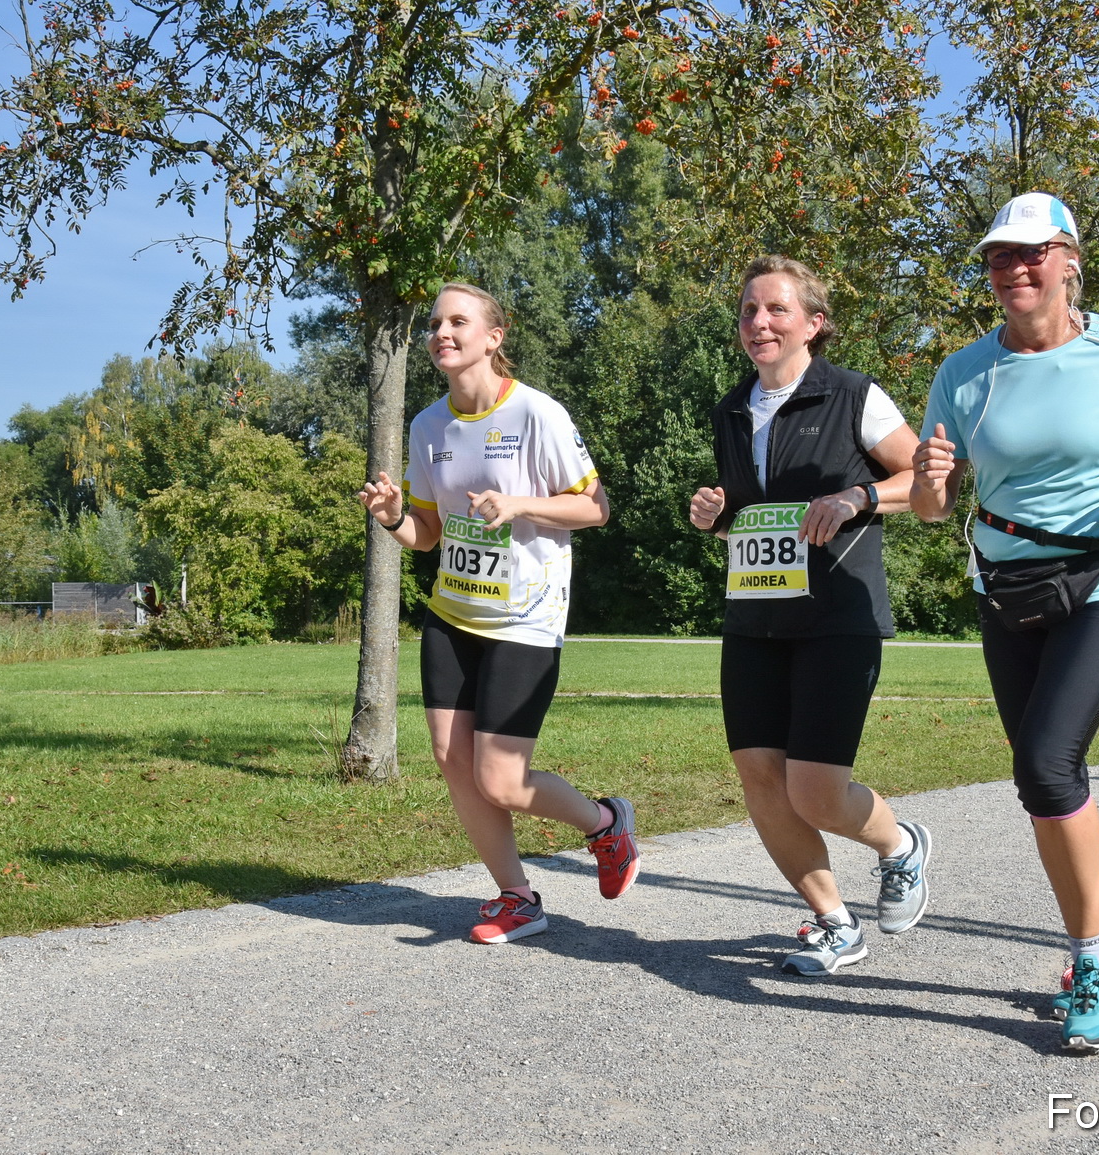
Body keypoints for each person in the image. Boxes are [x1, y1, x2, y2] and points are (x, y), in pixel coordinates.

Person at [910, 192, 1099, 1050]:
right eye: (1000, 257)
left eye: (1031, 253)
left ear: (1070, 258)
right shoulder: (964, 371)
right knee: (1040, 779)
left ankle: (1089, 955)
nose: (1014, 269)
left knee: (1048, 763)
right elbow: (935, 506)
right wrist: (933, 476)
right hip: (1007, 587)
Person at [358, 282, 641, 944]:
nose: (441, 332)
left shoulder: (537, 415)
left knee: (501, 777)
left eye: (458, 321)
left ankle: (606, 823)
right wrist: (394, 516)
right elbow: (427, 534)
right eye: (434, 323)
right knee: (453, 759)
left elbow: (595, 507)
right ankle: (517, 897)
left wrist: (520, 506)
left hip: (526, 617)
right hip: (454, 615)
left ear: (494, 336)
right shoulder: (428, 427)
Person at [687, 255, 932, 976]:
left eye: (776, 310)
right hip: (755, 615)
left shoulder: (853, 396)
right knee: (760, 775)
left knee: (816, 788)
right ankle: (833, 921)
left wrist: (858, 497)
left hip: (836, 615)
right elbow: (750, 512)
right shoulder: (731, 408)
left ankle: (899, 845)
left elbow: (920, 478)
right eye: (748, 311)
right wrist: (717, 513)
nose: (759, 322)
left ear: (813, 324)